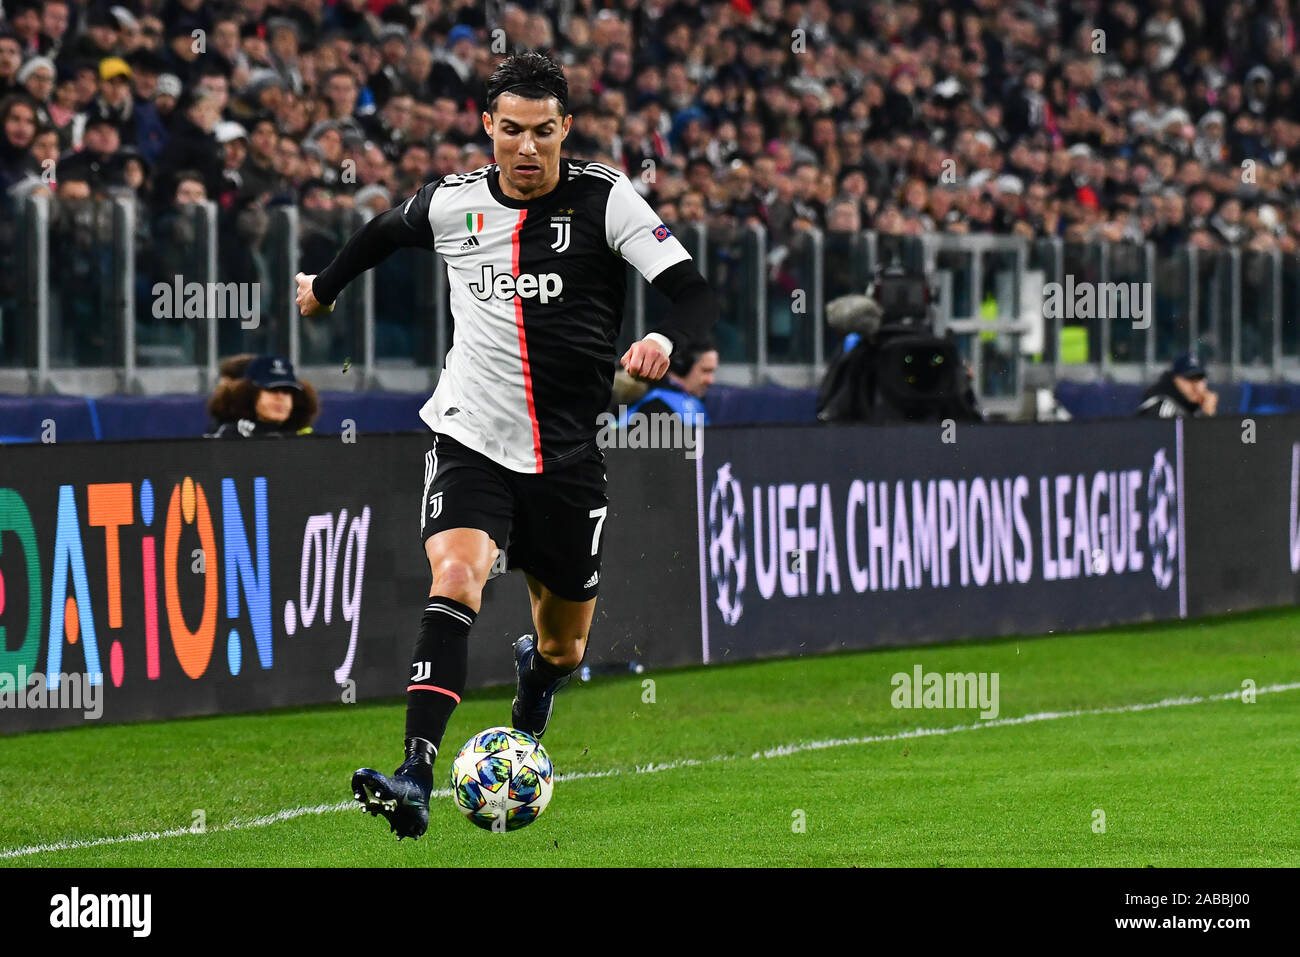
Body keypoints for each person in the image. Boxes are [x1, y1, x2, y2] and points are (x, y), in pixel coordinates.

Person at [294, 51, 718, 840]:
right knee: (457, 573)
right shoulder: (453, 203)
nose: (528, 149)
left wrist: (662, 335)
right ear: (488, 126)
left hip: (566, 459)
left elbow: (695, 293)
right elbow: (385, 230)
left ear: (567, 129)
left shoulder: (606, 199)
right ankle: (416, 774)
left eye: (545, 132)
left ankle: (536, 683)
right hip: (471, 436)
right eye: (512, 131)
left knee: (565, 644)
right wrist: (323, 284)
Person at [205, 354, 319, 438]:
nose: (281, 398)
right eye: (272, 390)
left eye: (287, 391)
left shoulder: (307, 440)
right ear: (249, 394)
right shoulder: (228, 435)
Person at [620, 338, 717, 425]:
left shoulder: (690, 401)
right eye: (705, 371)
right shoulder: (656, 408)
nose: (710, 380)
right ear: (681, 366)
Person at [1136, 353, 1218, 418]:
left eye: (1199, 379)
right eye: (1190, 379)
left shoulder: (1196, 406)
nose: (1196, 387)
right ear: (1175, 380)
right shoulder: (1161, 406)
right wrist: (1206, 417)